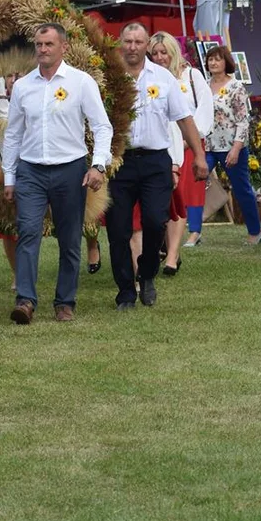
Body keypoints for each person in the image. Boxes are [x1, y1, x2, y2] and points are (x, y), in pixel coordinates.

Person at [3, 23, 113, 324]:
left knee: (69, 237)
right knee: (27, 232)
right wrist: (9, 178)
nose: (42, 49)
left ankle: (65, 301)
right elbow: (12, 135)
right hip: (31, 170)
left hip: (70, 169)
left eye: (49, 44)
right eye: (38, 44)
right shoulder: (24, 86)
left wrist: (98, 164)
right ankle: (25, 301)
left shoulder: (81, 82)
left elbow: (102, 126)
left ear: (63, 47)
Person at [106, 23, 207, 310]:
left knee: (154, 221)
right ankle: (125, 290)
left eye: (138, 41)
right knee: (118, 230)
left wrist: (198, 156)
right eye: (128, 41)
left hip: (155, 161)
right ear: (121, 43)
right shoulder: (109, 78)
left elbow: (184, 119)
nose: (133, 47)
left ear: (146, 44)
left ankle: (147, 273)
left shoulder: (163, 78)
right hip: (120, 163)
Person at [149, 32, 213, 261]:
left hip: (187, 148)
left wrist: (190, 141)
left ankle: (173, 254)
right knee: (161, 201)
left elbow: (204, 113)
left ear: (172, 52)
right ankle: (164, 246)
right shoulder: (149, 79)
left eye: (163, 52)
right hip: (160, 148)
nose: (159, 57)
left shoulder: (191, 76)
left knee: (179, 197)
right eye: (154, 53)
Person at [205, 45, 261, 245]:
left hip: (232, 145)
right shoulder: (204, 85)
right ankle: (194, 231)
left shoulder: (236, 86)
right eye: (210, 59)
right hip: (208, 146)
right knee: (196, 182)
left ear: (226, 62)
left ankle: (255, 232)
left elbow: (243, 120)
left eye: (218, 59)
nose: (213, 62)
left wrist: (236, 148)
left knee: (241, 189)